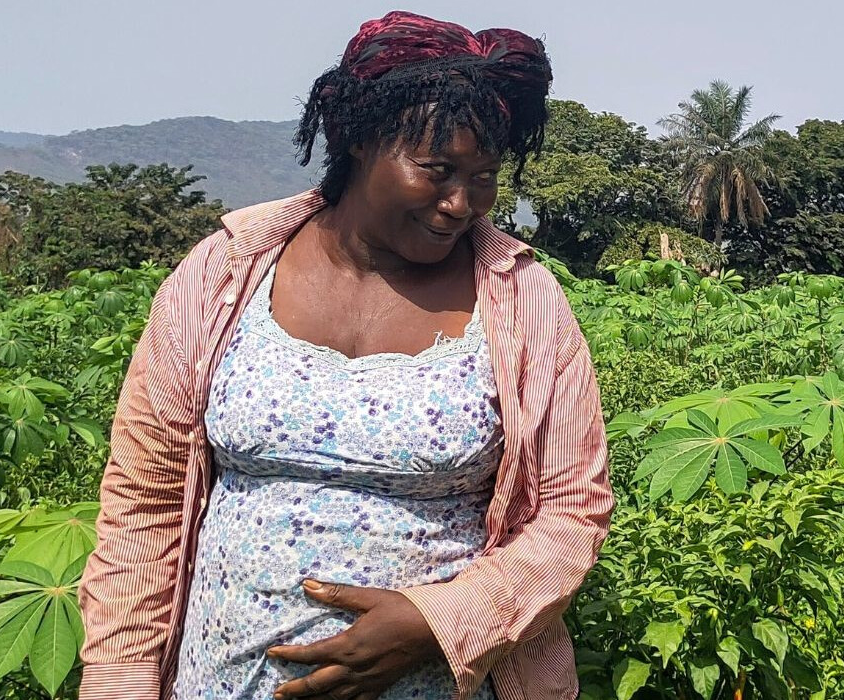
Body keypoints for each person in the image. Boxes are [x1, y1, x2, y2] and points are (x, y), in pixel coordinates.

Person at [77, 12, 612, 700]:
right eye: (436, 169)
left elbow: (571, 512)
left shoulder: (523, 300)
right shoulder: (223, 275)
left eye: (484, 176)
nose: (461, 203)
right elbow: (145, 500)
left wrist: (439, 621)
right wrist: (119, 680)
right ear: (360, 138)